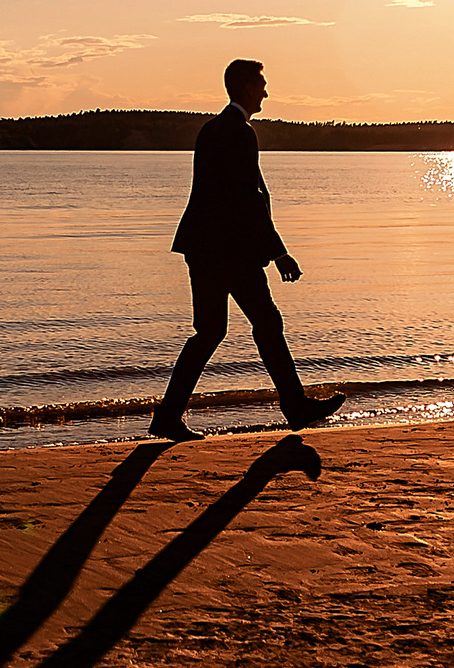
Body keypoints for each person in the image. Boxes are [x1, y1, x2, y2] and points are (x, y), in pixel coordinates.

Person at [148, 59, 346, 441]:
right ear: (246, 88)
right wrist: (280, 253)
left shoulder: (212, 130)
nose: (266, 93)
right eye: (261, 85)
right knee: (261, 325)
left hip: (205, 249)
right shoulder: (240, 133)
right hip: (231, 253)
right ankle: (295, 407)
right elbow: (248, 200)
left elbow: (234, 197)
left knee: (212, 332)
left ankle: (168, 417)